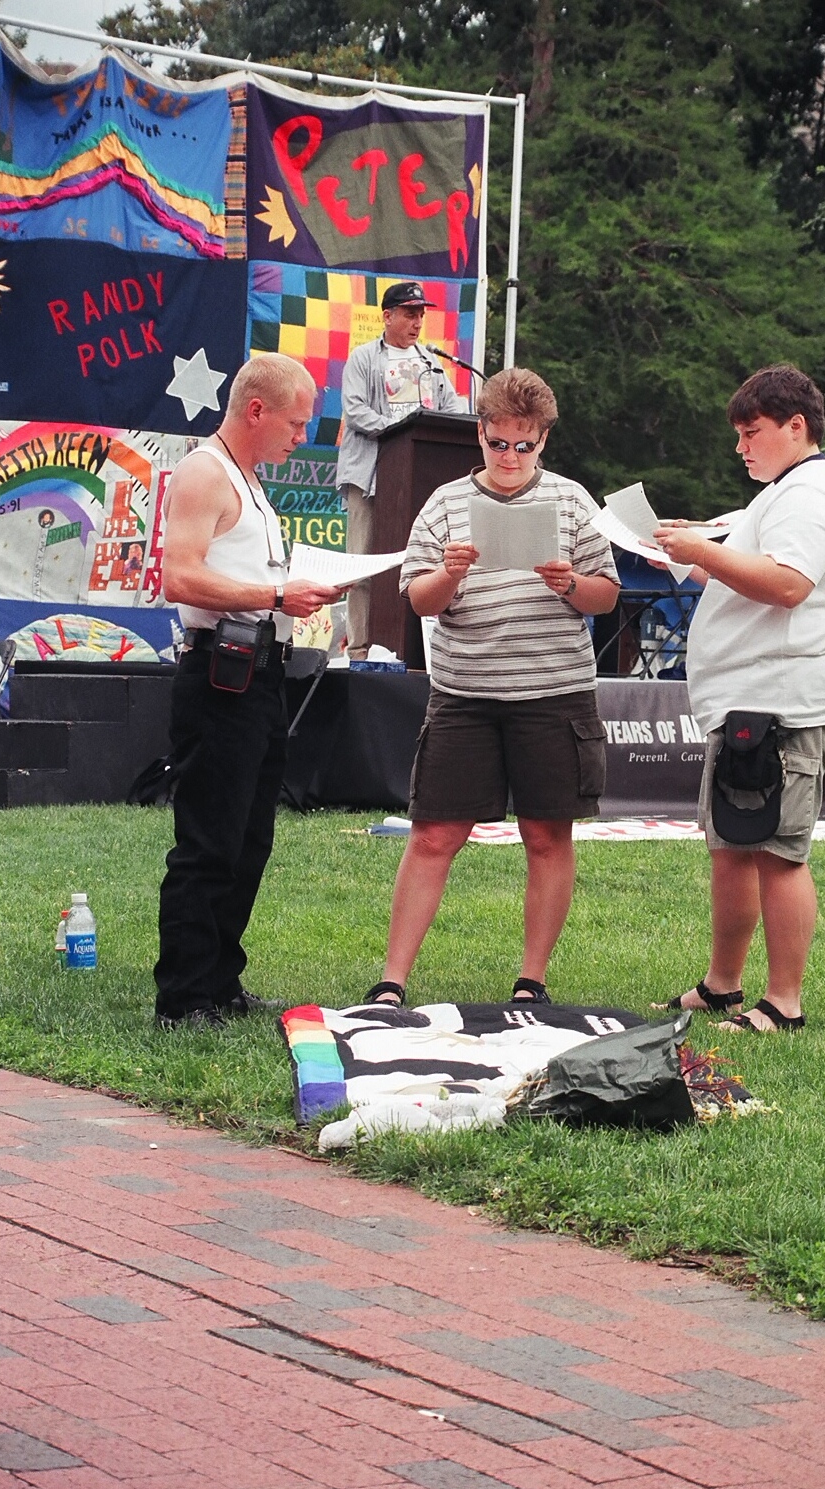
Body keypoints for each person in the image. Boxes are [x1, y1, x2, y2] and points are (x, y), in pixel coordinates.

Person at [364, 367, 620, 1007]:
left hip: (553, 692)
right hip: (464, 694)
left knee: (546, 834)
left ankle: (531, 982)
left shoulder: (571, 502)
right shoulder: (447, 503)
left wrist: (567, 583)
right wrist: (449, 575)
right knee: (433, 834)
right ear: (479, 434)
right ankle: (391, 982)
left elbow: (607, 594)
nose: (510, 457)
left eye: (523, 445)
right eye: (498, 442)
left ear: (543, 442)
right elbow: (417, 602)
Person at [656, 364, 825, 1033]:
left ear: (795, 426)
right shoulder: (784, 492)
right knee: (732, 844)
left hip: (790, 703)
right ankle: (723, 985)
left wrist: (702, 550)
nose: (742, 447)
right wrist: (680, 550)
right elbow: (745, 571)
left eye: (752, 433)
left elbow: (785, 584)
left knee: (778, 852)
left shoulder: (812, 495)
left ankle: (783, 1002)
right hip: (757, 699)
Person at [154, 353, 342, 1030]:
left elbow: (247, 579)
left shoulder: (251, 481)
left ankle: (219, 977)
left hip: (260, 670)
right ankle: (183, 995)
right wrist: (275, 592)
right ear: (256, 411)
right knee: (208, 839)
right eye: (295, 423)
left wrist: (301, 589)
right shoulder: (205, 470)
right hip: (218, 673)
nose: (301, 436)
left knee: (248, 838)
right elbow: (180, 577)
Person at [337, 280, 463, 661]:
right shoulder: (364, 358)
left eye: (421, 314)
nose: (417, 321)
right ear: (387, 316)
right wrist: (395, 434)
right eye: (410, 313)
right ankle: (359, 650)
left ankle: (414, 649)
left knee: (422, 563)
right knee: (362, 563)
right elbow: (356, 410)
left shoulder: (431, 363)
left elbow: (453, 410)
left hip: (419, 480)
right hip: (370, 475)